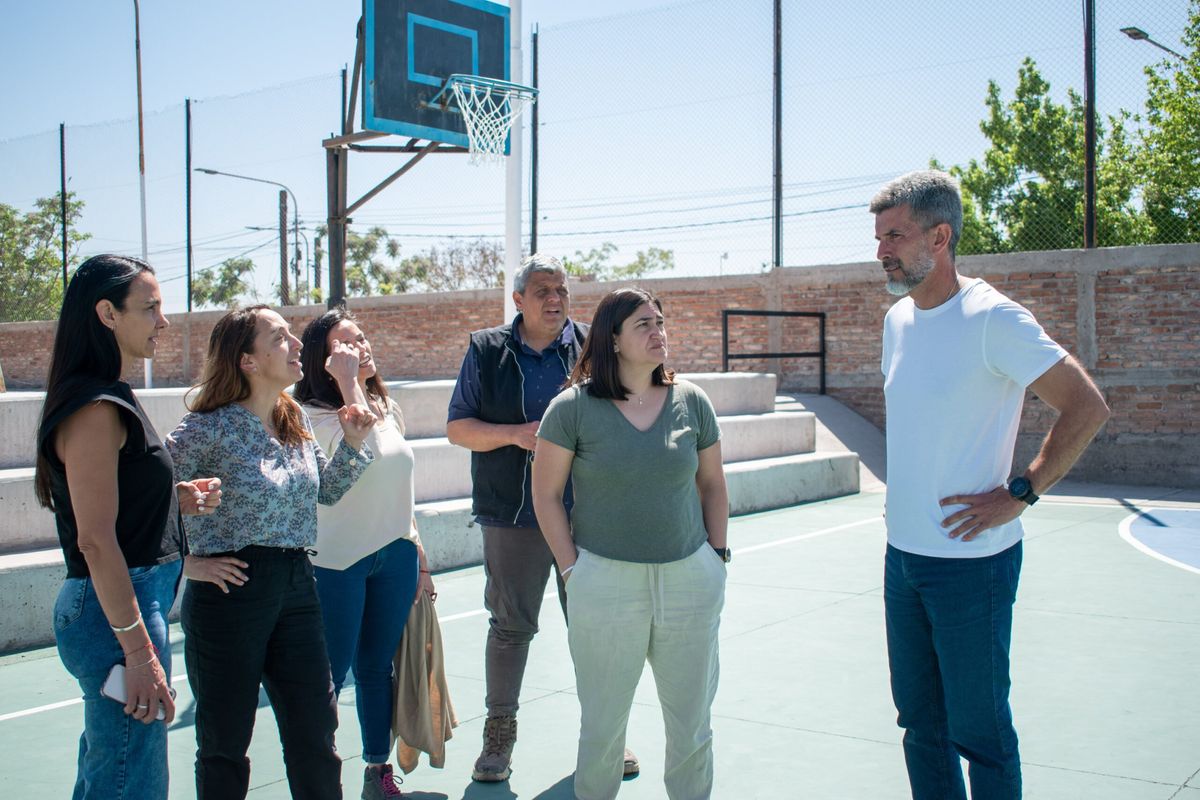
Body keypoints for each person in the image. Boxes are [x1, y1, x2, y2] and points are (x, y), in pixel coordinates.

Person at [870, 170, 1110, 799]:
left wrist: (1022, 491)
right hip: (904, 560)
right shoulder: (896, 320)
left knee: (981, 733)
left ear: (940, 236)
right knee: (921, 726)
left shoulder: (992, 318)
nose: (881, 250)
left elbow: (1085, 406)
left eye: (895, 235)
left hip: (972, 566)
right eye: (878, 237)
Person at [34, 254, 229, 799]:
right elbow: (95, 540)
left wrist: (173, 501)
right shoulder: (95, 407)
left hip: (123, 608)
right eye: (150, 308)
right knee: (129, 779)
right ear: (107, 314)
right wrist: (139, 654)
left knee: (112, 768)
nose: (163, 322)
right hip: (113, 614)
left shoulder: (107, 395)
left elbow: (115, 507)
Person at [166, 305, 376, 800]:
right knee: (225, 744)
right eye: (280, 338)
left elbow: (323, 492)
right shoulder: (207, 428)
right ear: (247, 361)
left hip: (298, 584)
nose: (297, 344)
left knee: (316, 733)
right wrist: (187, 564)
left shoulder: (294, 416)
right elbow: (143, 500)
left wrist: (352, 442)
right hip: (231, 591)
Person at [446, 254, 639, 781]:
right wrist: (514, 434)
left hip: (588, 513)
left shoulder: (592, 345)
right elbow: (458, 428)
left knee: (596, 626)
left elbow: (627, 407)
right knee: (510, 628)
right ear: (518, 301)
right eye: (541, 291)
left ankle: (608, 735)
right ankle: (498, 740)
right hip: (513, 514)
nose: (555, 300)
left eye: (561, 290)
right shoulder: (485, 350)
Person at [532, 287, 730, 800]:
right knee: (601, 730)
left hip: (689, 578)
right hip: (604, 583)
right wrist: (574, 570)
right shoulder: (570, 409)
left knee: (692, 726)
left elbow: (713, 484)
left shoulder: (693, 400)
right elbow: (547, 495)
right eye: (643, 324)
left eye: (660, 321)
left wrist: (717, 557)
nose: (658, 331)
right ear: (613, 339)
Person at [294, 307, 437, 800]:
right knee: (329, 675)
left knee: (378, 667)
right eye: (347, 343)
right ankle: (320, 780)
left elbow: (400, 484)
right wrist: (351, 384)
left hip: (393, 554)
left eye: (363, 338)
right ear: (324, 358)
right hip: (336, 563)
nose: (362, 348)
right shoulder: (302, 417)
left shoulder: (385, 407)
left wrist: (417, 555)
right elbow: (365, 449)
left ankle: (377, 774)